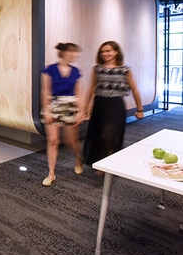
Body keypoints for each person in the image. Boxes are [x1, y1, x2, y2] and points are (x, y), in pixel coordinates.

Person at [83, 41, 144, 169]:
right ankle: (102, 161)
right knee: (99, 135)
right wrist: (85, 108)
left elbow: (135, 89)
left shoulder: (125, 70)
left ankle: (109, 160)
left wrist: (140, 109)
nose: (105, 54)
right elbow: (91, 89)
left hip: (116, 105)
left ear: (116, 52)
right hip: (100, 105)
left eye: (108, 51)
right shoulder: (97, 69)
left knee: (109, 134)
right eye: (103, 51)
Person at [40, 43, 85, 186]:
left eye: (76, 52)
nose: (75, 55)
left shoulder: (75, 71)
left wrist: (81, 111)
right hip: (54, 104)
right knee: (53, 140)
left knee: (71, 141)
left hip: (70, 106)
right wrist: (47, 109)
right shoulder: (50, 70)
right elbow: (45, 90)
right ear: (64, 52)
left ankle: (78, 158)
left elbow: (78, 92)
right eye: (73, 52)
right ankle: (51, 173)